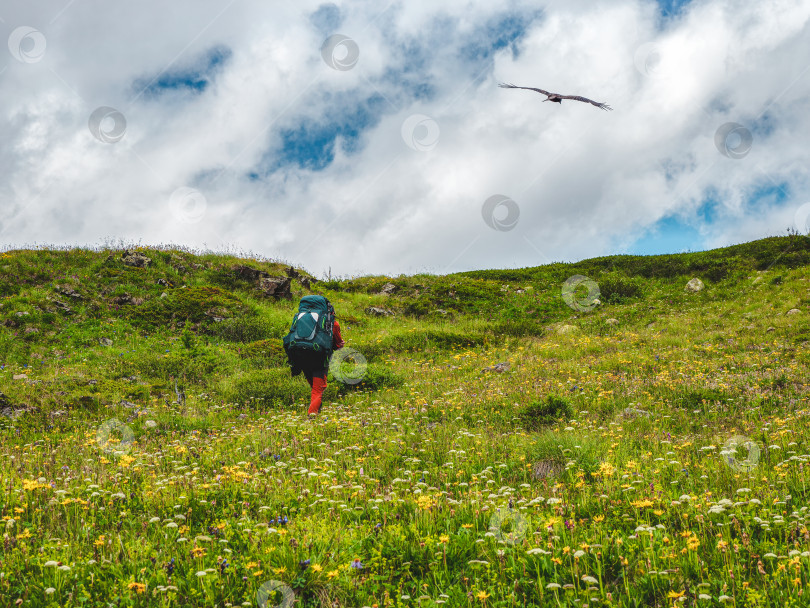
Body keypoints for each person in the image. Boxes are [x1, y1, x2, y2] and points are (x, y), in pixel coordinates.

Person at [287, 298, 344, 416]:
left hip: (300, 357)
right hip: (319, 359)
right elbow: (338, 344)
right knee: (318, 390)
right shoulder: (332, 323)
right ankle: (311, 417)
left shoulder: (300, 318)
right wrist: (339, 345)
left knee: (314, 387)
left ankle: (317, 410)